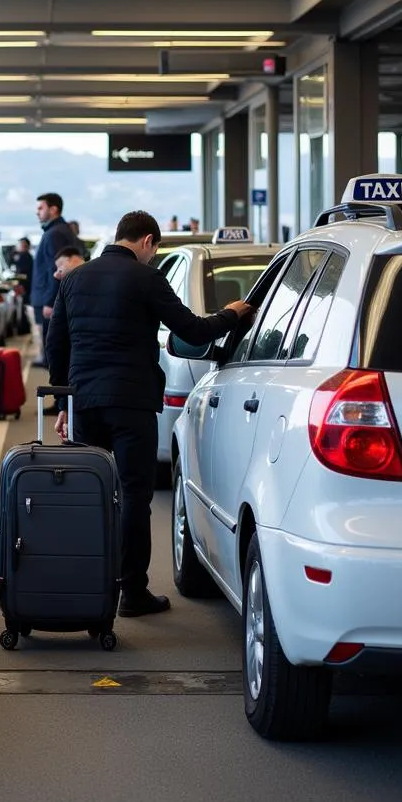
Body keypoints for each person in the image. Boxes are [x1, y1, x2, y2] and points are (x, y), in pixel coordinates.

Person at [46, 210, 252, 618]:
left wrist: (62, 403)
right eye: (152, 251)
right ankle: (132, 593)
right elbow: (192, 330)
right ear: (147, 242)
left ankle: (90, 586)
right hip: (132, 403)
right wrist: (232, 314)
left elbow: (57, 346)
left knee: (93, 495)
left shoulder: (74, 279)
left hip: (85, 401)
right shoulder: (147, 278)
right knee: (135, 498)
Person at [29, 193, 77, 368]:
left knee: (53, 345)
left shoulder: (54, 234)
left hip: (49, 297)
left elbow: (57, 269)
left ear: (53, 209)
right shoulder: (59, 230)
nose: (37, 212)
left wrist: (49, 301)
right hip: (51, 296)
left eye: (41, 208)